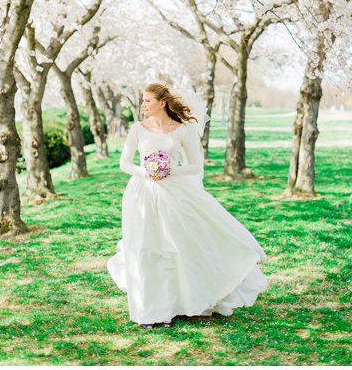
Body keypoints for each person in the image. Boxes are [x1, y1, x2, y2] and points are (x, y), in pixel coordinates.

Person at [107, 83, 267, 329]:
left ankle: (186, 303)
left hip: (175, 193)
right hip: (142, 194)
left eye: (147, 100)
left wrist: (170, 169)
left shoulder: (181, 131)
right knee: (147, 249)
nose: (143, 105)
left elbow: (196, 166)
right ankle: (150, 312)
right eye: (142, 100)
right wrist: (145, 171)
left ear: (162, 103)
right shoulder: (138, 129)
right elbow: (124, 163)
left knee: (177, 248)